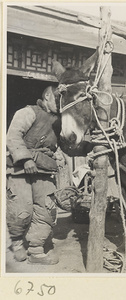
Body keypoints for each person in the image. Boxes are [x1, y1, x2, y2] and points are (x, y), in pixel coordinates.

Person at [6, 86, 62, 265]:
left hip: (44, 169)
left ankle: (36, 250)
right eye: (58, 98)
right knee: (21, 208)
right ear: (47, 96)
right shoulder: (28, 112)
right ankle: (16, 242)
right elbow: (13, 136)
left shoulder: (61, 121)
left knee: (46, 210)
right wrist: (26, 159)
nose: (61, 103)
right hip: (20, 168)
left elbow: (66, 144)